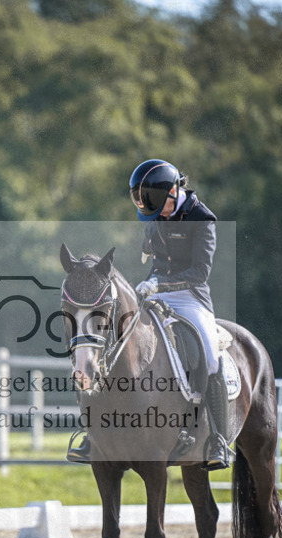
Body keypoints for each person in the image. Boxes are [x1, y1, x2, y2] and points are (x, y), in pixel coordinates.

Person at [67, 159, 234, 470]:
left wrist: (159, 284)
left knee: (211, 357)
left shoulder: (202, 219)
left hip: (191, 297)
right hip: (154, 294)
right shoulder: (156, 216)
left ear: (174, 192)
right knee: (112, 343)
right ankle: (93, 435)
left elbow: (200, 272)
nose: (158, 215)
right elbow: (157, 261)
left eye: (160, 207)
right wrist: (148, 286)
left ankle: (219, 439)